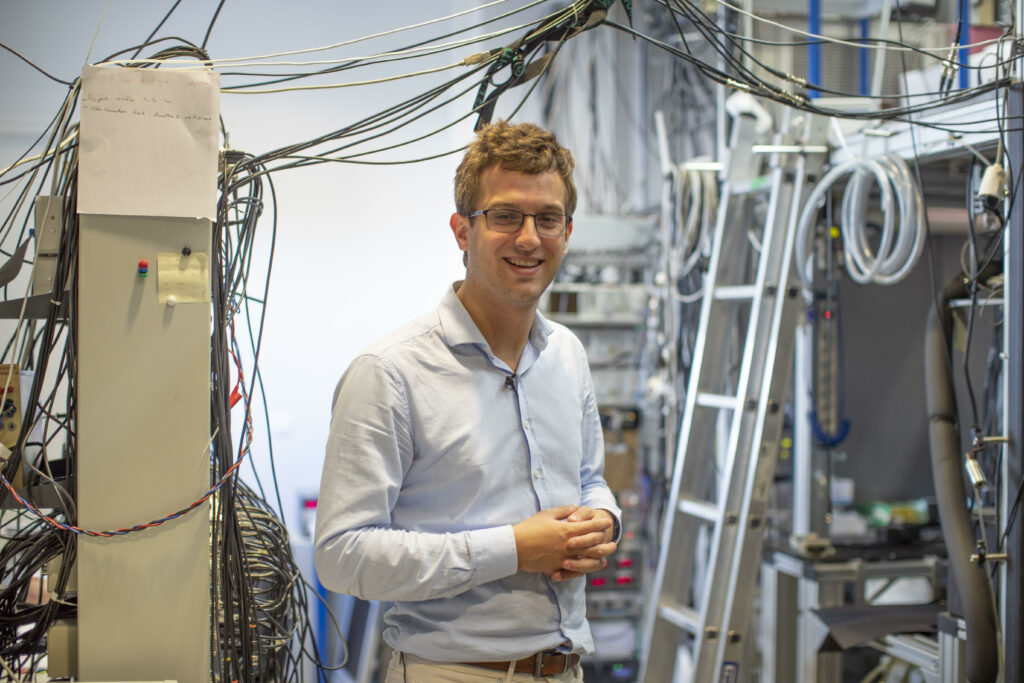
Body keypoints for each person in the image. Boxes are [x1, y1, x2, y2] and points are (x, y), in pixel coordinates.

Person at [314, 120, 621, 683]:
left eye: (547, 218)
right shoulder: (390, 373)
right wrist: (513, 548)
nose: (529, 238)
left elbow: (588, 479)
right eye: (505, 216)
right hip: (454, 670)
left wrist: (604, 520)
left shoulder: (566, 356)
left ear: (567, 232)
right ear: (462, 230)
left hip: (566, 669)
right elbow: (342, 555)